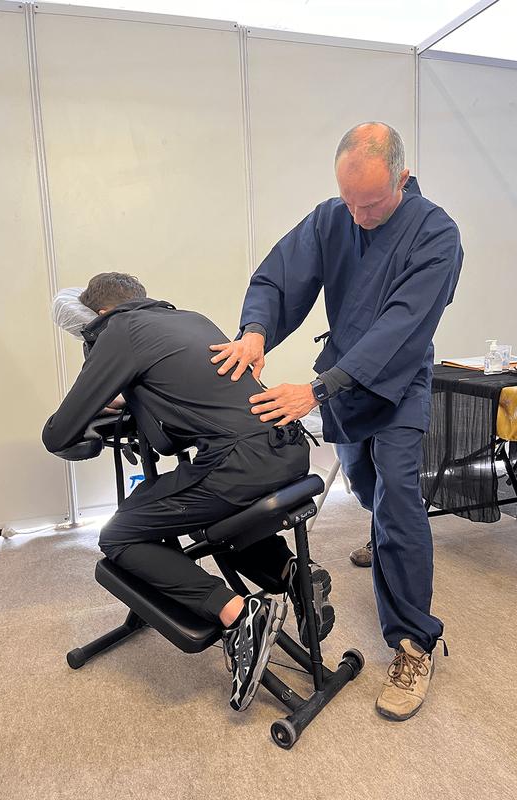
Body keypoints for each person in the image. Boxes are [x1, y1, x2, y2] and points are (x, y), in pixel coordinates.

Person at [209, 122, 463, 721]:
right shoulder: (335, 216)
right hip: (344, 385)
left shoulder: (436, 234)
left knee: (399, 494)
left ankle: (413, 641)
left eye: (370, 202)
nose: (358, 213)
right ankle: (383, 538)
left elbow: (400, 327)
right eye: (348, 199)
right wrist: (256, 331)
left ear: (402, 178)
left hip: (397, 382)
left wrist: (317, 389)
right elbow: (281, 274)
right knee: (367, 487)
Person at [43, 272, 334, 713]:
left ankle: (238, 615)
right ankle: (291, 573)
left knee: (120, 535)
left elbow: (59, 432)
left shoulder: (119, 331)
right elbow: (182, 398)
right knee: (212, 523)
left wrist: (91, 408)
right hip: (286, 448)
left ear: (100, 313)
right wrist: (131, 400)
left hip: (238, 465)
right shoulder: (188, 319)